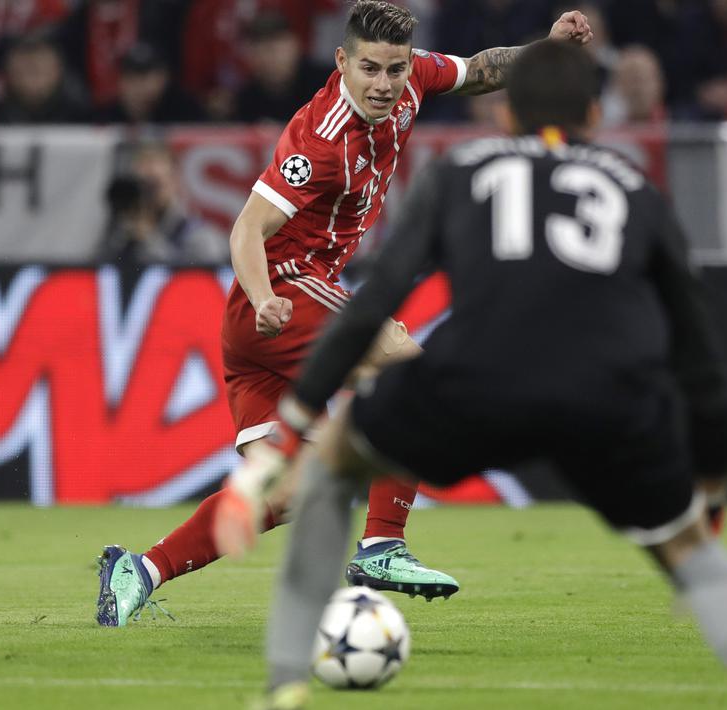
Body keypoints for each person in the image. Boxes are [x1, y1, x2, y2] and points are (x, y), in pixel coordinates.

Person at [213, 39, 727, 710]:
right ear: (592, 114)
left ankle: (284, 682)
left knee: (332, 461)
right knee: (692, 553)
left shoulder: (461, 170)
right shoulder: (636, 192)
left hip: (476, 384)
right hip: (605, 399)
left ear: (503, 119)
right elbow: (700, 361)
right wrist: (711, 491)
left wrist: (295, 424)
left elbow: (373, 305)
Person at [94, 0, 596, 627]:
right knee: (408, 367)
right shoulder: (321, 140)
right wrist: (264, 295)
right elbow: (247, 228)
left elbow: (480, 69)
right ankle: (383, 542)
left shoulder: (412, 79)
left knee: (287, 494)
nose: (384, 84)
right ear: (342, 62)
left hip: (260, 330)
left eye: (395, 68)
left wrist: (548, 48)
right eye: (369, 70)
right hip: (279, 295)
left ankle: (140, 571)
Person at [98, 143, 229, 264]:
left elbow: (200, 281)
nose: (147, 195)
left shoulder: (198, 236)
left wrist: (147, 239)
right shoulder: (122, 233)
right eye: (141, 186)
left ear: (174, 180)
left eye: (154, 185)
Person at [232, 12, 334, 124]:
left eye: (275, 49)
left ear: (295, 46)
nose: (270, 58)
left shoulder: (330, 83)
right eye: (262, 50)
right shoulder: (246, 99)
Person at [0, 32, 91, 124]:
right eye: (23, 71)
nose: (31, 80)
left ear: (56, 71)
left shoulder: (82, 117)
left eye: (37, 71)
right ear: (9, 74)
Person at [93, 43, 205, 125]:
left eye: (147, 77)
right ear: (121, 81)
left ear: (164, 78)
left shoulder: (186, 111)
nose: (141, 86)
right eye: (132, 78)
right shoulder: (104, 117)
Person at [600, 45, 668, 126]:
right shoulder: (603, 124)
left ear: (659, 84)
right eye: (631, 80)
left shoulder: (677, 125)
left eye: (644, 79)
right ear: (616, 84)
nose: (637, 88)